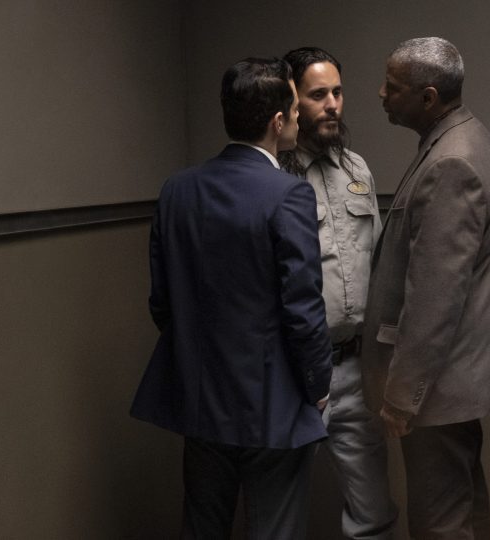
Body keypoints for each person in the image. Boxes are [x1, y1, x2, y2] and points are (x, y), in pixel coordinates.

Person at [130, 57, 333, 539]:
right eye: (294, 110)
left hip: (200, 396)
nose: (299, 118)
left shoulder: (177, 189)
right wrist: (318, 385)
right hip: (273, 402)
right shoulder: (288, 194)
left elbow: (162, 301)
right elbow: (303, 309)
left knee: (203, 526)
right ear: (278, 121)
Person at [362, 37, 490, 539]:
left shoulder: (451, 161)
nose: (382, 94)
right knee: (462, 510)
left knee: (439, 522)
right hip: (455, 378)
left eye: (393, 87)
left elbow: (434, 298)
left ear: (428, 97)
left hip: (437, 386)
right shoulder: (465, 138)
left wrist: (402, 397)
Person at [279, 47, 398, 540]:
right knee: (278, 514)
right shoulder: (273, 177)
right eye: (317, 95)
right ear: (290, 101)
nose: (332, 104)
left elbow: (377, 264)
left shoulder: (356, 170)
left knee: (374, 515)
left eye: (337, 92)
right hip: (290, 375)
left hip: (353, 368)